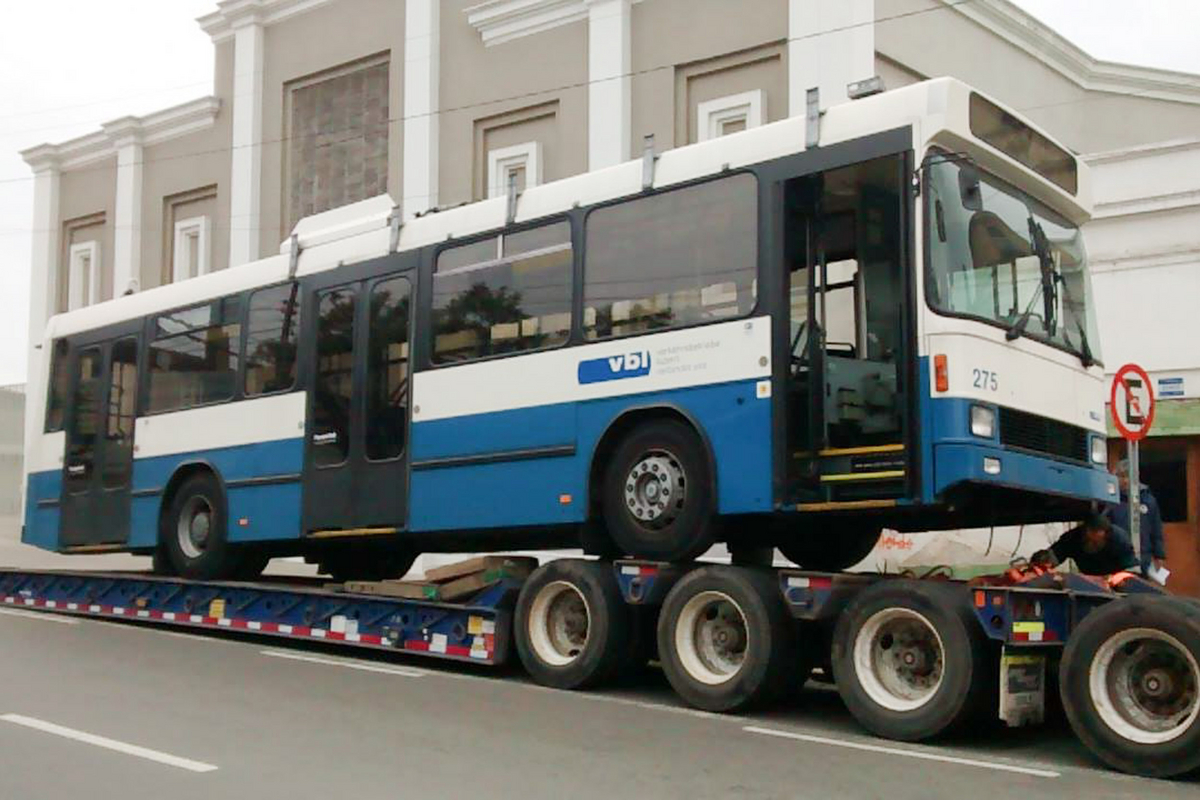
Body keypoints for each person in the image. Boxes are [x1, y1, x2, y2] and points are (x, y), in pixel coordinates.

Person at [1106, 460, 1166, 574]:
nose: (1125, 481)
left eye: (1128, 477)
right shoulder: (1110, 501)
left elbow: (1156, 529)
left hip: (1144, 557)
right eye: (1121, 476)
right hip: (1118, 557)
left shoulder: (1148, 500)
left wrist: (1159, 555)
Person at [1031, 514, 1138, 576]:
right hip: (1088, 577)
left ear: (1105, 532)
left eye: (1099, 532)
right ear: (1086, 530)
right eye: (1092, 531)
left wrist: (1122, 577)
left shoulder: (1119, 539)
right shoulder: (1073, 538)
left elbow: (1130, 566)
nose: (1095, 536)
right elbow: (1057, 553)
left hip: (1113, 577)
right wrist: (1044, 562)